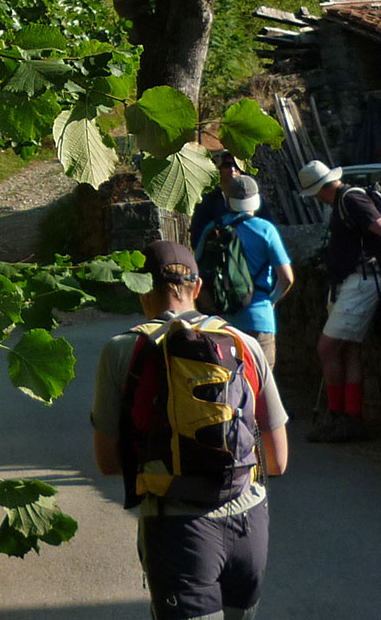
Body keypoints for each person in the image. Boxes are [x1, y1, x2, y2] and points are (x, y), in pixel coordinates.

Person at [91, 240, 290, 620]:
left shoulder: (122, 350)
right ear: (198, 288)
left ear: (139, 287)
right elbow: (278, 461)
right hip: (249, 523)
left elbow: (107, 461)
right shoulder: (245, 345)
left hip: (176, 529)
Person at [296, 160, 381, 442]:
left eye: (315, 192)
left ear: (322, 188)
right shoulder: (345, 200)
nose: (316, 199)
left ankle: (340, 416)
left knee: (327, 349)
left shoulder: (352, 200)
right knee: (349, 351)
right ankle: (350, 419)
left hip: (361, 282)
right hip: (352, 282)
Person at [196, 174, 296, 367]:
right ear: (256, 200)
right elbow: (287, 278)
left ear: (228, 201)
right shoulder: (265, 229)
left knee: (230, 387)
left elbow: (198, 271)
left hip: (221, 322)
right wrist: (271, 300)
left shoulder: (212, 229)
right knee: (260, 388)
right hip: (257, 318)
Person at [189, 149, 239, 251]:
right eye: (227, 165)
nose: (232, 169)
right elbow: (197, 238)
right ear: (218, 169)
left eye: (236, 165)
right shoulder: (208, 200)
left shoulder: (252, 197)